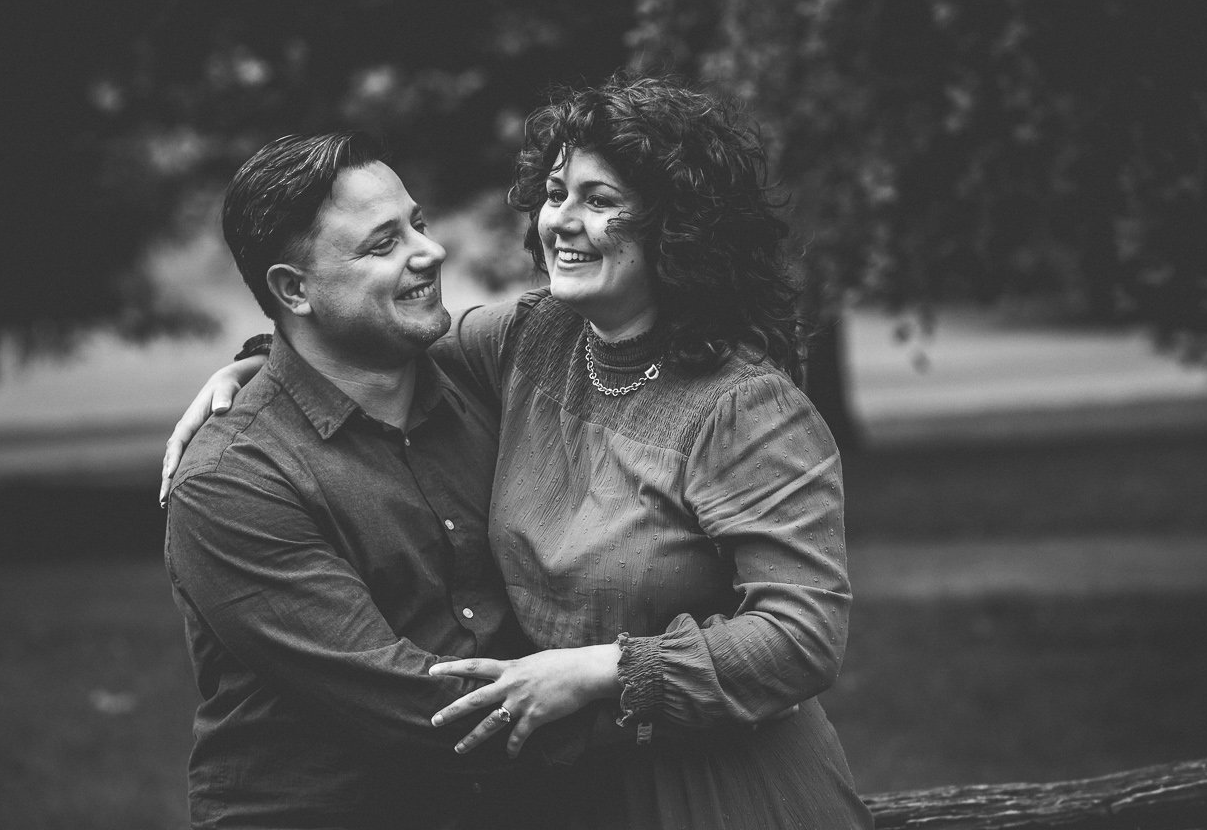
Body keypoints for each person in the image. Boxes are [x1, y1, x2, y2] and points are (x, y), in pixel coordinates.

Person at [166, 76, 874, 829]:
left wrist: (605, 673)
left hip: (727, 788)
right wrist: (255, 369)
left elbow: (803, 636)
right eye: (557, 192)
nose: (561, 221)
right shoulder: (532, 345)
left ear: (679, 226)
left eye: (600, 200)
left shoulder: (742, 408)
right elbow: (348, 346)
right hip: (570, 793)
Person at [161, 131, 589, 829]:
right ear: (293, 289)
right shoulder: (233, 481)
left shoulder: (479, 385)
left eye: (417, 225)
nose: (431, 252)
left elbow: (618, 311)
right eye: (383, 244)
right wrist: (643, 693)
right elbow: (424, 709)